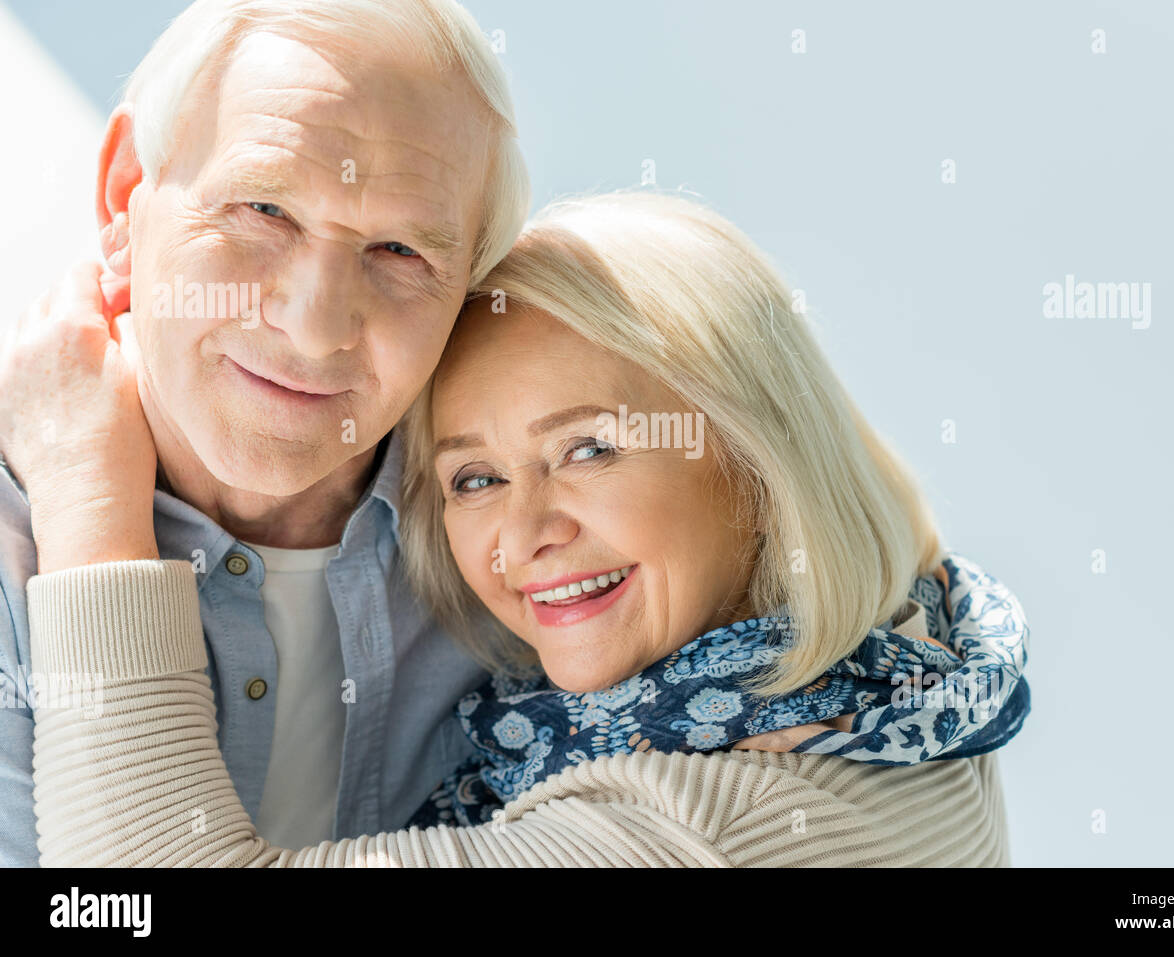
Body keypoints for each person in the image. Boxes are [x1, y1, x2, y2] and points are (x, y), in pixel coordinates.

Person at [18, 191, 1030, 866]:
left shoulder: (703, 830)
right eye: (473, 475)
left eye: (589, 448)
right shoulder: (910, 680)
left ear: (758, 455)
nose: (523, 531)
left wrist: (84, 484)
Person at [0, 0, 533, 866]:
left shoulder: (530, 548)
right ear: (125, 191)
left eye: (400, 251)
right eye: (264, 208)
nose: (317, 325)